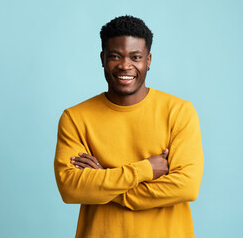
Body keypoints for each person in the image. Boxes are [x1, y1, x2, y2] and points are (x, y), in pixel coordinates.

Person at [54, 15, 204, 238]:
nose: (125, 65)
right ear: (103, 58)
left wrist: (105, 182)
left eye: (136, 57)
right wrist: (145, 170)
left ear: (148, 61)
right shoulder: (76, 118)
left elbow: (186, 187)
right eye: (115, 56)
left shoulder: (179, 112)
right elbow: (70, 188)